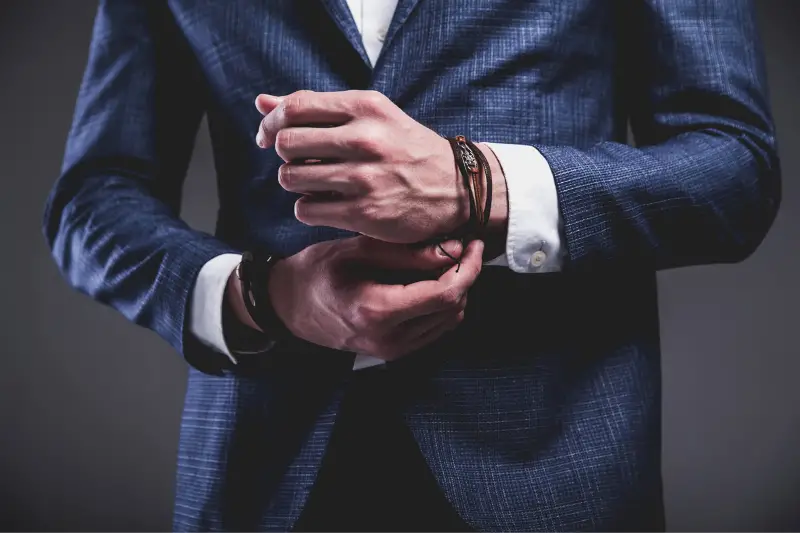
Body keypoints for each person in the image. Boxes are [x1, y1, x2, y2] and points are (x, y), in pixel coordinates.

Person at [43, 0, 781, 531]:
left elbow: (734, 166)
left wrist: (479, 184)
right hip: (262, 479)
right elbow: (94, 199)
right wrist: (265, 295)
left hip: (558, 469)